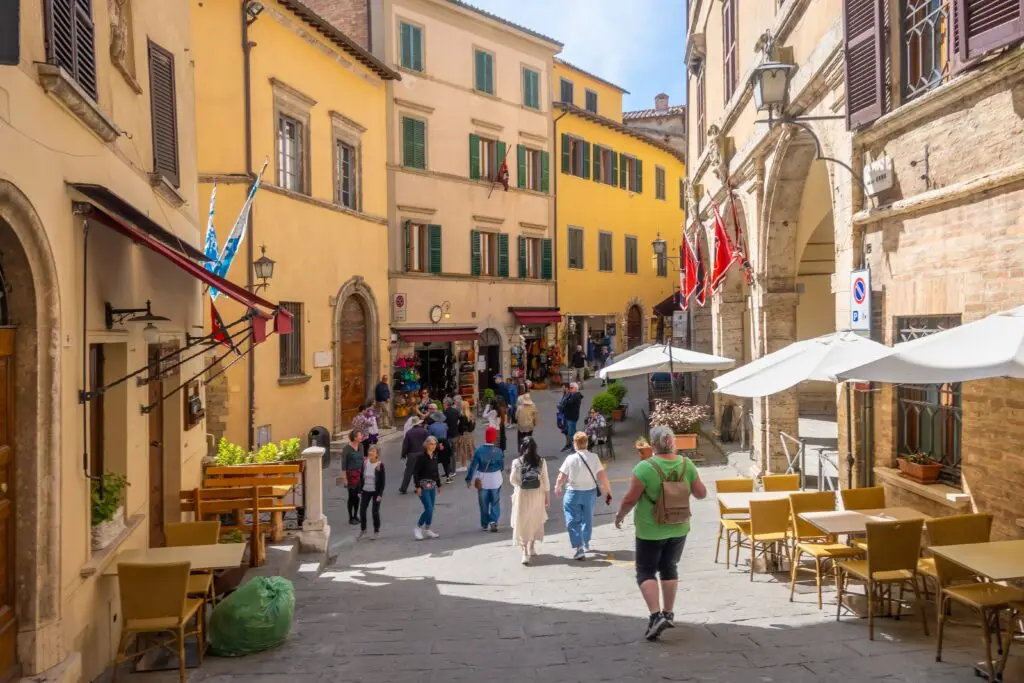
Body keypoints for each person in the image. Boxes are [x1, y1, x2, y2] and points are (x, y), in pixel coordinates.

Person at [614, 425, 707, 641]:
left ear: (652, 445)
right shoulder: (686, 464)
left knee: (645, 571)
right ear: (672, 442)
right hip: (679, 526)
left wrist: (620, 516)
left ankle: (656, 616)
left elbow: (630, 499)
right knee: (669, 567)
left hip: (650, 529)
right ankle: (669, 612)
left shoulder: (644, 468)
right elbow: (701, 494)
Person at [555, 431, 612, 560]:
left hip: (573, 493)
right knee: (587, 518)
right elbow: (602, 476)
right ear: (586, 443)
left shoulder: (570, 459)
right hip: (590, 492)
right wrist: (608, 491)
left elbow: (561, 476)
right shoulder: (594, 457)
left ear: (575, 444)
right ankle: (585, 542)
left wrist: (557, 486)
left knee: (572, 520)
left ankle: (579, 548)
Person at [510, 437, 550, 565]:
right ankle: (532, 547)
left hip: (522, 495)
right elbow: (546, 480)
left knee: (523, 522)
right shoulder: (541, 461)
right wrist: (547, 497)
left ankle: (525, 552)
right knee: (535, 520)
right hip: (537, 494)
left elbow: (513, 480)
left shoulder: (517, 462)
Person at [466, 426, 505, 532]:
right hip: (495, 478)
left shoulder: (479, 450)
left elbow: (473, 466)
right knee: (495, 500)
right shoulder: (498, 451)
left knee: (483, 502)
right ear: (494, 437)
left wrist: (469, 479)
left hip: (482, 478)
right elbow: (502, 466)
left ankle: (484, 524)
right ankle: (493, 520)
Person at [413, 436, 443, 540]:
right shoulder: (421, 457)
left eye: (434, 444)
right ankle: (418, 527)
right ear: (426, 445)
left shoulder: (435, 456)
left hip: (432, 486)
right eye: (431, 444)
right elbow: (415, 472)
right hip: (423, 486)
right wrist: (417, 486)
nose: (433, 446)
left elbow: (436, 471)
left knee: (431, 508)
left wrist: (439, 484)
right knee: (428, 508)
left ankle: (427, 528)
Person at [358, 444, 385, 540]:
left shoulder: (379, 465)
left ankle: (376, 531)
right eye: (370, 451)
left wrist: (380, 494)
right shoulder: (365, 463)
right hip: (365, 490)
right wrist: (360, 490)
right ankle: (363, 530)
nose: (370, 453)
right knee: (362, 511)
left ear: (377, 454)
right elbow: (361, 476)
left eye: (373, 451)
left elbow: (382, 481)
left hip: (375, 492)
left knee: (375, 512)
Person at [340, 430, 366, 525]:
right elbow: (344, 464)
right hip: (350, 474)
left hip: (360, 474)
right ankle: (350, 517)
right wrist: (344, 478)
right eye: (360, 435)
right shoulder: (346, 449)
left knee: (358, 495)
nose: (362, 436)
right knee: (352, 496)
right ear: (355, 437)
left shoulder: (361, 446)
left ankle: (356, 515)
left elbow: (363, 460)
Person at [399, 417, 429, 494]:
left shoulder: (409, 432)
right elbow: (428, 441)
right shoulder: (424, 431)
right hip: (422, 453)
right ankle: (420, 487)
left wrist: (403, 454)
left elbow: (405, 445)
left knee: (408, 471)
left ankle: (403, 488)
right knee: (421, 471)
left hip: (412, 454)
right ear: (419, 423)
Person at [428, 409, 453, 483]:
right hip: (445, 443)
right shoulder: (445, 425)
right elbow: (447, 432)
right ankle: (448, 477)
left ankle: (436, 479)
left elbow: (430, 436)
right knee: (446, 461)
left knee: (435, 462)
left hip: (436, 443)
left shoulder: (431, 426)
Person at [558, 383, 584, 452]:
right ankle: (572, 446)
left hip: (572, 416)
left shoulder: (576, 396)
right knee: (569, 432)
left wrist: (566, 400)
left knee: (571, 432)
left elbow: (568, 403)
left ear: (576, 388)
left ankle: (575, 446)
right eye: (570, 388)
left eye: (572, 388)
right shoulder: (571, 395)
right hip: (568, 415)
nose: (570, 389)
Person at [454, 397, 476, 471]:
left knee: (463, 450)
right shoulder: (470, 415)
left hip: (463, 435)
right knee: (470, 449)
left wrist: (457, 425)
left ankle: (464, 466)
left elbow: (462, 428)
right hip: (470, 434)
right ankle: (473, 464)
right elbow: (472, 427)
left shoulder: (462, 417)